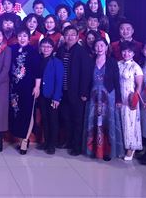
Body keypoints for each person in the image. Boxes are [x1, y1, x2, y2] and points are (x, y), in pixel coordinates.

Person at [83, 38, 122, 160]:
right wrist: (84, 93)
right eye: (97, 46)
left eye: (102, 45)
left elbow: (117, 81)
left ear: (106, 47)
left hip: (108, 96)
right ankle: (94, 150)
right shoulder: (90, 61)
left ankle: (107, 151)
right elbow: (87, 80)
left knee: (107, 123)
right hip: (93, 97)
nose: (99, 48)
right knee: (94, 122)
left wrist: (118, 99)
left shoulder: (112, 62)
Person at [56, 25, 93, 156]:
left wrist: (84, 92)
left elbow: (86, 74)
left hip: (77, 93)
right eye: (67, 34)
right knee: (65, 118)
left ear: (77, 37)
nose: (70, 37)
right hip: (63, 91)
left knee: (77, 120)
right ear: (64, 37)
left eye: (73, 34)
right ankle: (68, 141)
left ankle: (77, 146)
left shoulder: (82, 52)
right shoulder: (60, 50)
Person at [9, 28, 41, 154]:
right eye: (20, 36)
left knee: (28, 112)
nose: (22, 39)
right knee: (17, 111)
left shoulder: (33, 51)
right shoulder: (12, 49)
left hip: (28, 87)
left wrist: (37, 87)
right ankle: (19, 137)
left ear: (29, 38)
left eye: (25, 36)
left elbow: (37, 71)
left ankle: (25, 140)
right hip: (14, 87)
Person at [37, 38, 64, 155]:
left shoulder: (57, 62)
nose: (46, 49)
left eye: (48, 47)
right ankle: (46, 141)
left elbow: (59, 81)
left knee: (53, 120)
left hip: (52, 95)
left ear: (53, 49)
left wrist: (57, 97)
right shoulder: (38, 60)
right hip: (41, 95)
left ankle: (52, 144)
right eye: (44, 46)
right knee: (45, 119)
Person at [118, 41, 144, 160]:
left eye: (129, 51)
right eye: (124, 51)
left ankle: (131, 148)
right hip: (119, 98)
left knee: (130, 123)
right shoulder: (118, 64)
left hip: (130, 99)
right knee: (121, 122)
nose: (126, 54)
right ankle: (121, 147)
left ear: (133, 53)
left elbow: (139, 86)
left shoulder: (136, 67)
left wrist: (134, 100)